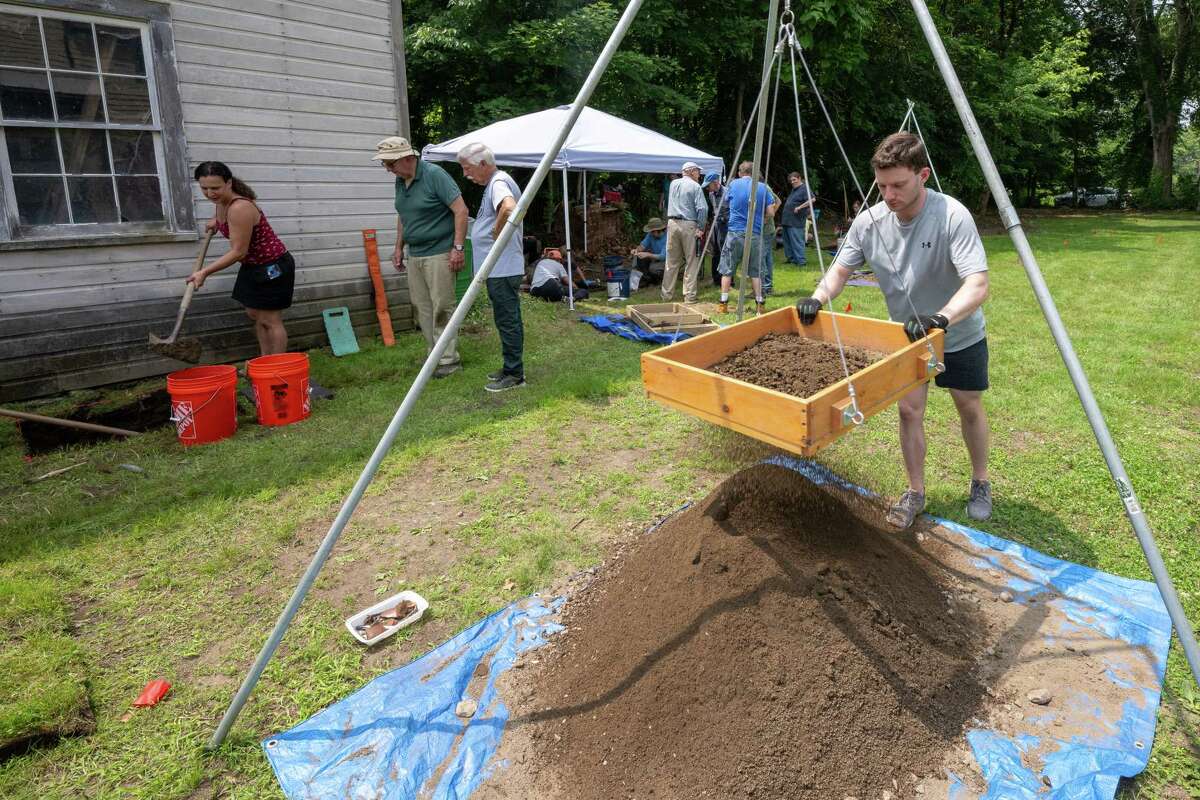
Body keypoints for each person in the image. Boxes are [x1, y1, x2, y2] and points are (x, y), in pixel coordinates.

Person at [795, 132, 991, 528]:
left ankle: (981, 482)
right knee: (908, 410)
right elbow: (840, 271)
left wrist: (941, 318)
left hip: (959, 332)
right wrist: (818, 297)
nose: (889, 195)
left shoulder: (952, 215)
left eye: (898, 185)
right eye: (882, 186)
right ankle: (915, 491)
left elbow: (978, 284)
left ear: (923, 175)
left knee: (967, 406)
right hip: (905, 339)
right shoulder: (869, 223)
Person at [372, 137, 469, 379]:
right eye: (385, 164)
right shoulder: (400, 180)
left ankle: (448, 360)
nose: (388, 169)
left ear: (408, 158)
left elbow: (461, 211)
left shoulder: (434, 175)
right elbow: (404, 216)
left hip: (440, 252)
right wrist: (398, 247)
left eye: (390, 164)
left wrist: (457, 248)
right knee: (422, 308)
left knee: (442, 306)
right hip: (415, 253)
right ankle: (433, 355)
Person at [189, 162, 294, 356]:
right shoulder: (221, 202)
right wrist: (218, 223)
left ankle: (278, 365)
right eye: (204, 188)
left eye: (215, 188)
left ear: (228, 183)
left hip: (273, 266)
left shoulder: (239, 208)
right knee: (255, 314)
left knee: (270, 319)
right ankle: (265, 360)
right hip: (253, 266)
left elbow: (238, 252)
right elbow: (230, 225)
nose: (210, 193)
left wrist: (205, 272)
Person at [457, 142, 526, 392]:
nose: (466, 174)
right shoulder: (497, 182)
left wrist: (495, 235)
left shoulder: (498, 183)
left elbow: (508, 208)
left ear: (483, 164)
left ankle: (515, 375)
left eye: (467, 168)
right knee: (506, 319)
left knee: (508, 320)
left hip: (503, 267)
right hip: (502, 267)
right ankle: (510, 368)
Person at [717, 161, 777, 315]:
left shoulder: (732, 185)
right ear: (754, 172)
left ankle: (723, 303)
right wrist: (761, 220)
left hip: (735, 232)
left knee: (727, 269)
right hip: (755, 234)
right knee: (756, 271)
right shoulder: (762, 187)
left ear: (740, 172)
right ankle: (760, 303)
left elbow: (725, 204)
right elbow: (771, 212)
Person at [662, 161, 708, 303]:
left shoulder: (673, 184)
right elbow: (703, 209)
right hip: (689, 224)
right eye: (698, 172)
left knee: (671, 262)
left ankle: (666, 295)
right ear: (691, 171)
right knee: (691, 261)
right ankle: (689, 296)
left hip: (672, 223)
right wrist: (700, 228)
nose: (699, 175)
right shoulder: (695, 186)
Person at [781, 172, 814, 265]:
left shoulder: (804, 188)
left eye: (794, 179)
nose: (792, 182)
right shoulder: (794, 189)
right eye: (791, 180)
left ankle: (801, 261)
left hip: (796, 221)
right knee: (787, 241)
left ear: (799, 178)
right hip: (787, 220)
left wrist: (799, 207)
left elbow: (812, 199)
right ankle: (791, 259)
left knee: (797, 241)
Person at [703, 172, 728, 287]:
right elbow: (713, 210)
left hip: (726, 225)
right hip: (716, 224)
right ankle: (716, 279)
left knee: (725, 252)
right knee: (715, 252)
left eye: (709, 185)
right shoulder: (711, 194)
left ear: (716, 182)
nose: (707, 188)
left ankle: (727, 279)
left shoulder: (727, 193)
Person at [630, 218, 667, 284]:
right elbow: (643, 245)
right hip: (655, 258)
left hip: (667, 260)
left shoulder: (668, 238)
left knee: (653, 269)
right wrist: (636, 250)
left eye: (652, 231)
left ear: (659, 230)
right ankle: (645, 279)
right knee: (639, 257)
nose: (651, 233)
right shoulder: (651, 235)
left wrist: (648, 254)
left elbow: (663, 256)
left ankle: (659, 279)